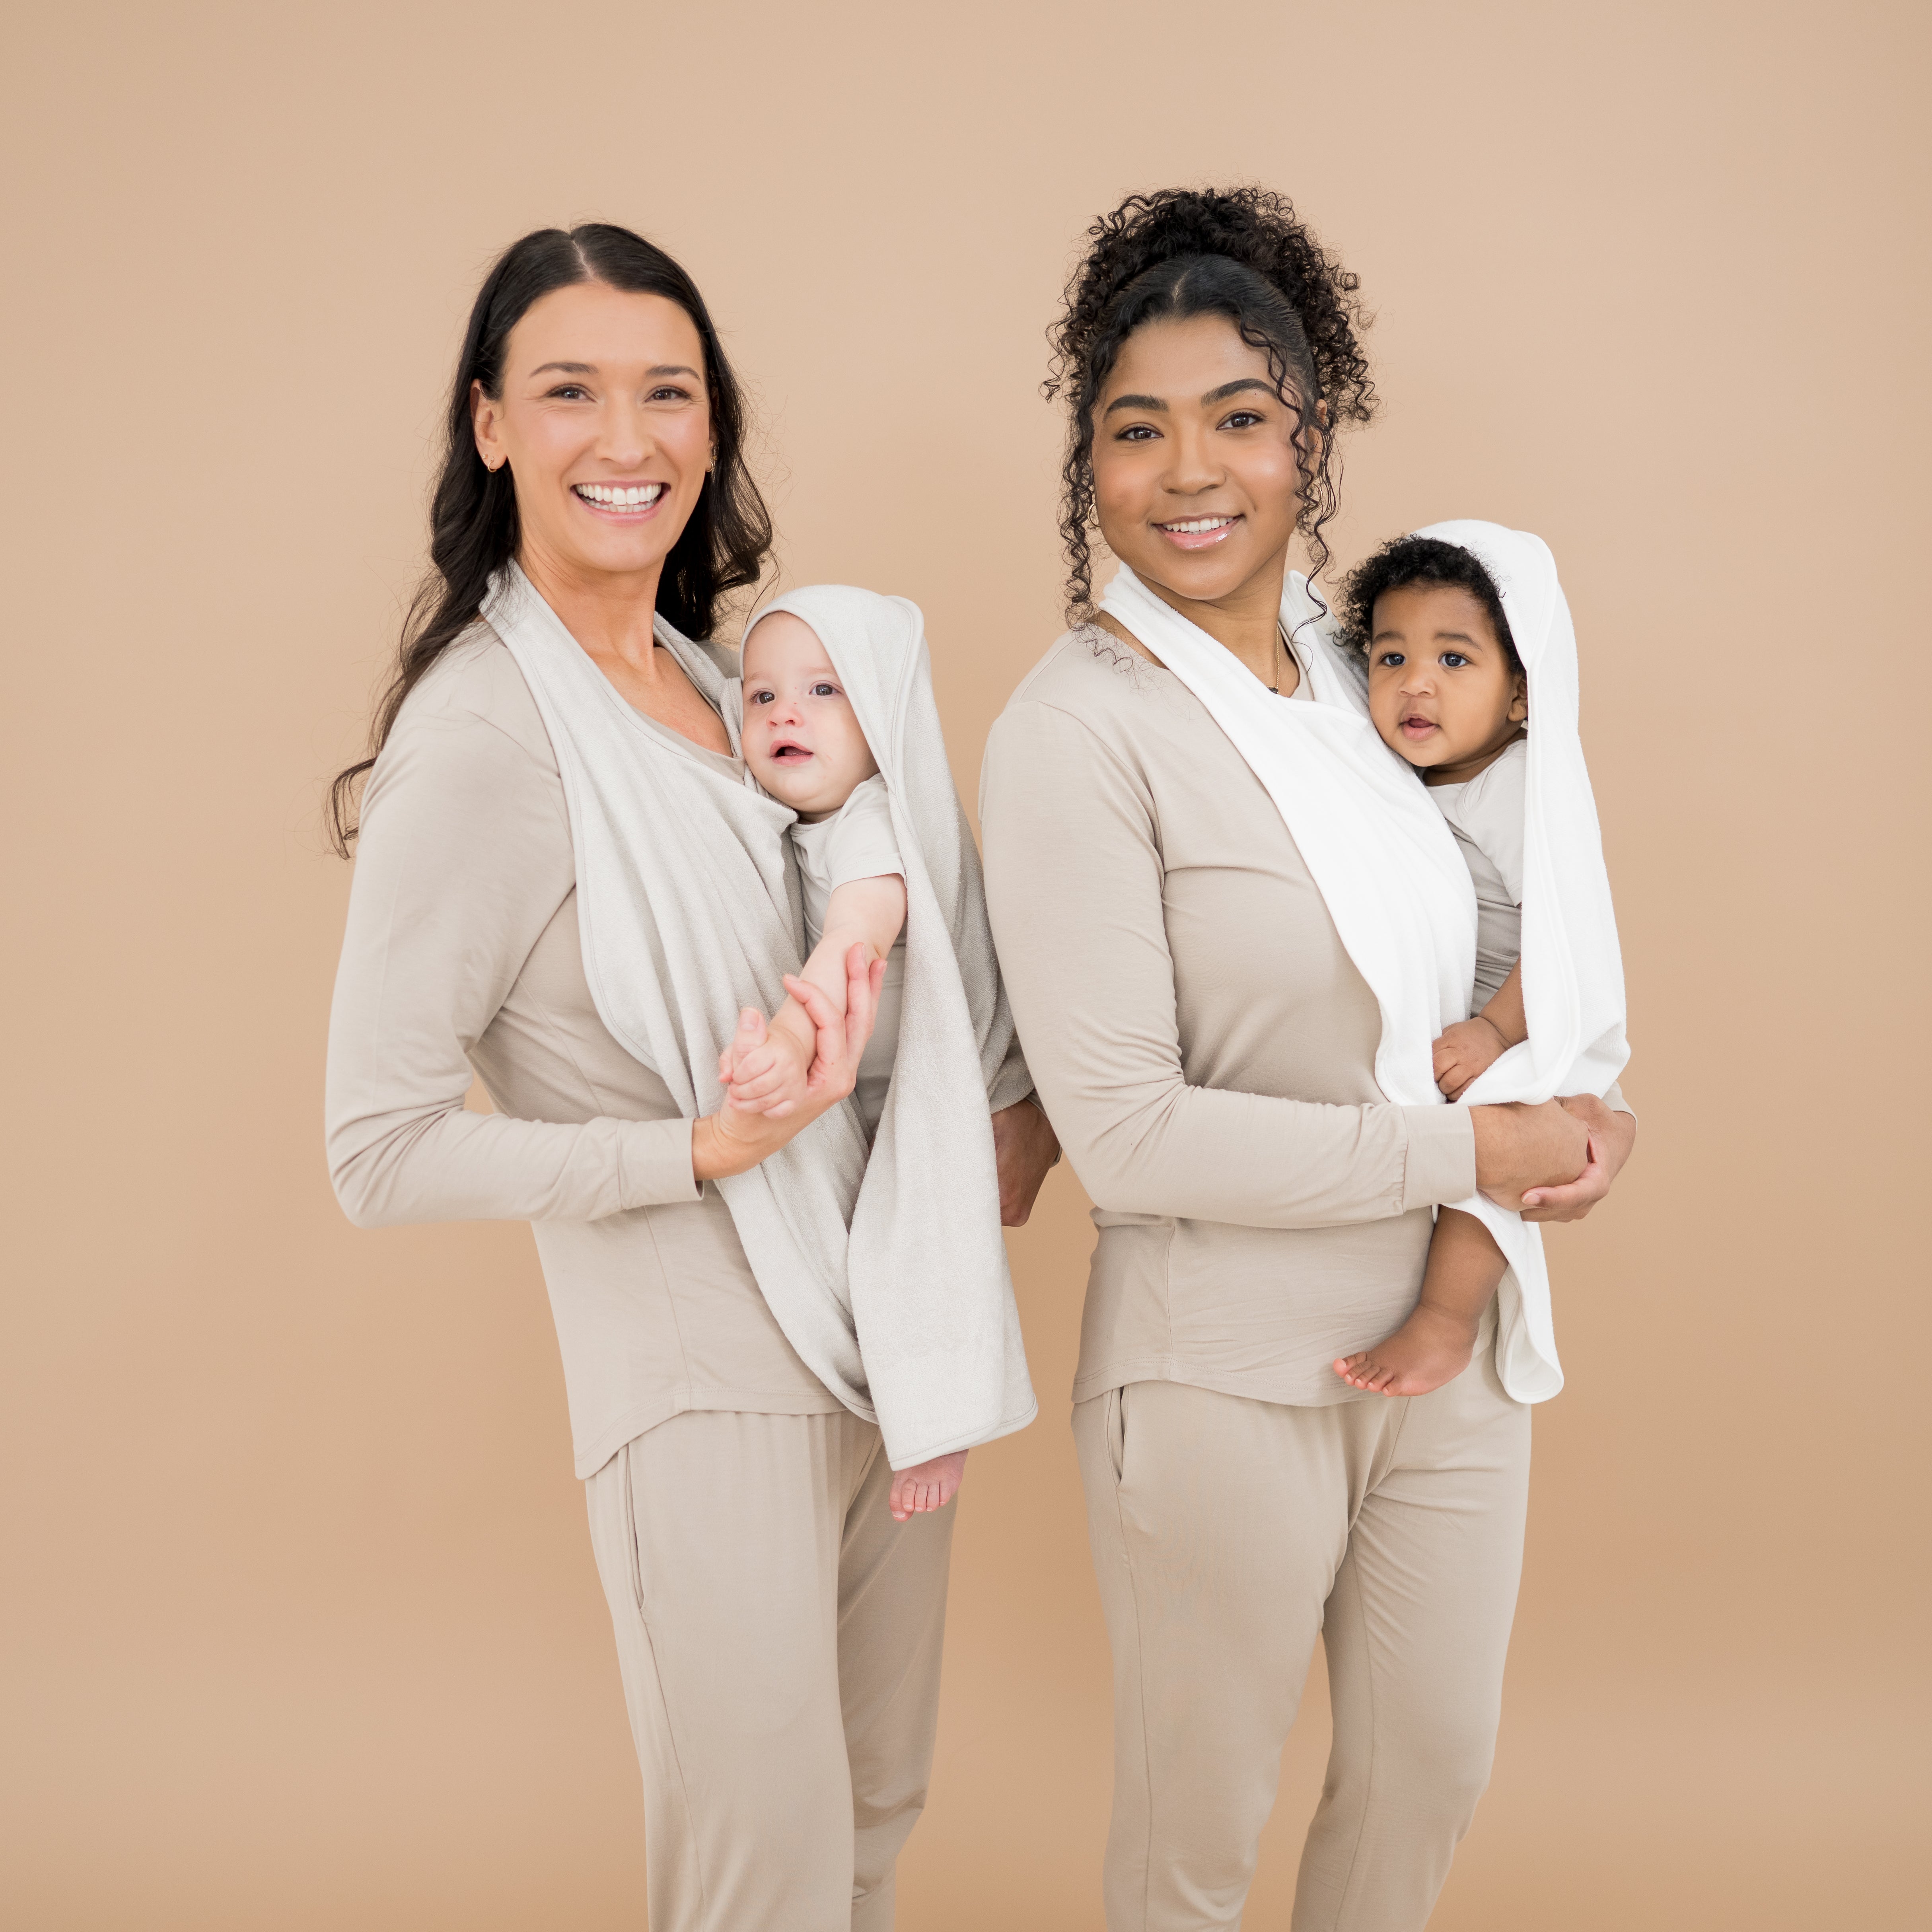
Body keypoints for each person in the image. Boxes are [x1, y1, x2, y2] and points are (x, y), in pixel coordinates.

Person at [324, 223, 1058, 1932]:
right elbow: (378, 1147)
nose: (625, 437)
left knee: (871, 1821)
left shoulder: (741, 694)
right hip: (694, 1378)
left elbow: (891, 901)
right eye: (568, 391)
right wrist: (697, 1147)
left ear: (712, 430)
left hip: (876, 1346)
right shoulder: (487, 736)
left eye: (667, 391)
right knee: (763, 1866)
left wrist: (983, 1097)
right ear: (491, 425)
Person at [979, 187, 1636, 1932]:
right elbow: (1125, 1132)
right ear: (1087, 463)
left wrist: (1579, 1104)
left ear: (1308, 437)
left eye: (1239, 418)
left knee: (1425, 1775)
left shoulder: (1378, 681)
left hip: (1454, 1342)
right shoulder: (1075, 729)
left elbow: (1517, 924)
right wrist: (1470, 1154)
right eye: (1135, 429)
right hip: (1216, 1370)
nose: (1188, 469)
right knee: (1193, 1841)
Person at [724, 589, 1051, 1517]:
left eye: (824, 690)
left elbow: (855, 936)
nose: (785, 712)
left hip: (914, 1086)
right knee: (859, 1252)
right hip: (856, 1095)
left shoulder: (871, 819)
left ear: (883, 717)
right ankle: (901, 1400)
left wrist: (791, 1036)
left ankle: (941, 1424)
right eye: (760, 696)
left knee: (923, 1242)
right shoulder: (779, 825)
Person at [1334, 527, 1628, 1399]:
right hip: (1481, 1015)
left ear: (1520, 697)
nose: (1413, 681)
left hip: (1534, 1013)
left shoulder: (1514, 785)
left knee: (1496, 1145)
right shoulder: (1405, 777)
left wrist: (1495, 1028)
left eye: (1454, 659)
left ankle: (1446, 1316)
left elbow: (1564, 936)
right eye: (1390, 655)